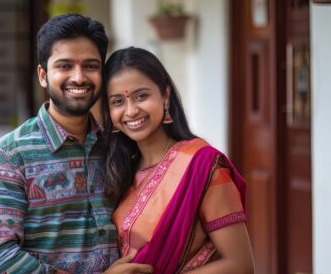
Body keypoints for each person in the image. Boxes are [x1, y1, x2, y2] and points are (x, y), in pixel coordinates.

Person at [0, 15, 153, 274]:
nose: (79, 78)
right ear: (43, 75)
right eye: (65, 66)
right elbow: (0, 259)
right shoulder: (8, 157)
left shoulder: (118, 146)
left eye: (91, 66)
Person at [101, 47, 255, 273]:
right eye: (117, 102)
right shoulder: (119, 170)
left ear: (165, 96)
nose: (131, 110)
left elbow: (241, 265)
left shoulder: (203, 166)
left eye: (141, 96)